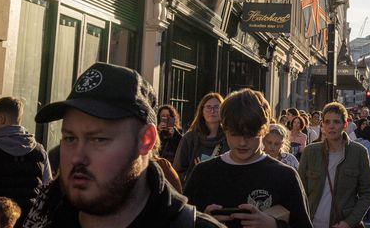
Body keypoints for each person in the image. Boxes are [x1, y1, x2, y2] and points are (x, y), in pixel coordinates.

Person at [25, 62, 223, 228]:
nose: (77, 157)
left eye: (98, 139)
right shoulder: (41, 217)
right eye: (70, 138)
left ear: (146, 140)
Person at [184, 89, 312, 228]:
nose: (242, 142)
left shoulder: (285, 176)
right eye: (235, 134)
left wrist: (274, 225)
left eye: (250, 134)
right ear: (224, 129)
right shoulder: (203, 173)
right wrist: (204, 222)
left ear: (264, 130)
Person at [298, 102, 370, 228]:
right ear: (322, 126)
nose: (331, 126)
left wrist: (349, 222)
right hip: (311, 223)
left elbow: (367, 192)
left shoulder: (359, 153)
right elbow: (300, 191)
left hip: (341, 222)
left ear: (345, 125)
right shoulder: (310, 152)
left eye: (336, 122)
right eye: (327, 122)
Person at [173, 92, 228, 183]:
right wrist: (196, 173)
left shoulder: (229, 138)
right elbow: (177, 171)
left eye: (216, 107)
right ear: (202, 111)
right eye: (208, 107)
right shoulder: (189, 138)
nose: (212, 111)